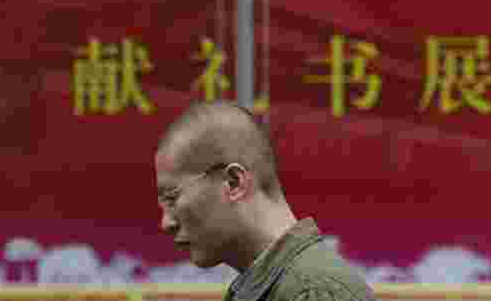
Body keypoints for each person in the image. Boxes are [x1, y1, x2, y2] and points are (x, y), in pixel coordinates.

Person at [155, 101, 377, 301]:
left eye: (172, 197)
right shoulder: (266, 289)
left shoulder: (313, 292)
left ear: (234, 183)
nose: (166, 223)